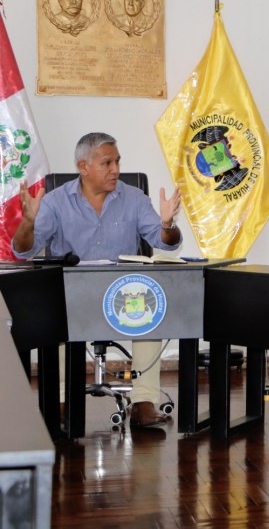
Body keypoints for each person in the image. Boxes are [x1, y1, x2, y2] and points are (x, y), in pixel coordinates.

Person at [12, 132, 182, 428]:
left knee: (150, 312)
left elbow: (165, 242)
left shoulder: (134, 198)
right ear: (83, 166)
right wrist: (27, 223)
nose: (115, 169)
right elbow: (23, 250)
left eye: (117, 162)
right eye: (107, 163)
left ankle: (143, 402)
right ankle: (61, 400)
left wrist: (167, 224)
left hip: (123, 296)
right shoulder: (55, 201)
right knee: (55, 318)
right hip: (72, 296)